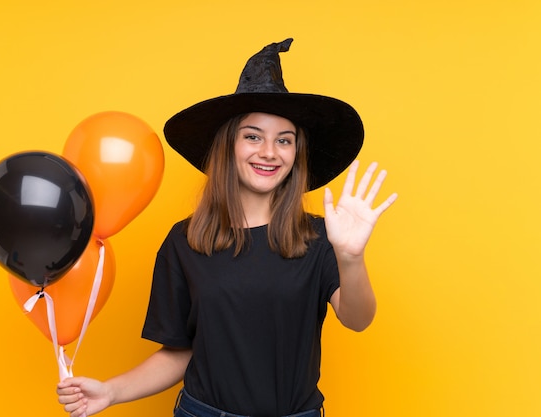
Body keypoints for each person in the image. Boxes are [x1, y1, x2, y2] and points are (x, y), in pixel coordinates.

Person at [57, 38, 397, 417]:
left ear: (296, 156)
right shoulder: (184, 242)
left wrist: (350, 257)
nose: (269, 152)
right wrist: (110, 391)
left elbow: (358, 319)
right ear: (228, 146)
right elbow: (180, 352)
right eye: (253, 136)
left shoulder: (318, 238)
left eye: (284, 141)